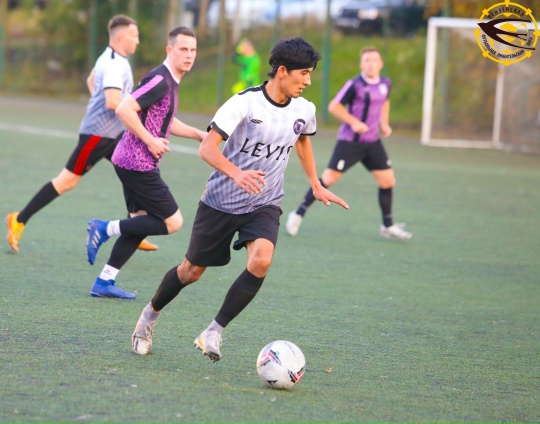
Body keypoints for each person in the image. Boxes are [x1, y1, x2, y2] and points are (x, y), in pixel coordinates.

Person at [130, 37, 349, 360]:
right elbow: (207, 148)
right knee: (191, 271)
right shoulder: (244, 103)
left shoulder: (305, 109)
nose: (308, 81)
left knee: (261, 260)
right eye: (303, 73)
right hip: (221, 201)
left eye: (310, 74)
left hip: (265, 201)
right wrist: (237, 174)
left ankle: (213, 331)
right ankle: (148, 317)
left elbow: (302, 139)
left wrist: (315, 184)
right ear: (282, 71)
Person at [5, 15, 159, 253]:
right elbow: (112, 101)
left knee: (133, 169)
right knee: (67, 181)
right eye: (134, 36)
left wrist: (102, 102)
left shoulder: (112, 58)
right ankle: (19, 219)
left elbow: (91, 80)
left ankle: (135, 227)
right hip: (97, 135)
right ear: (121, 37)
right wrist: (131, 112)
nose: (137, 41)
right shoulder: (114, 63)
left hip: (113, 134)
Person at [85, 26, 206, 299]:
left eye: (193, 50)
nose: (189, 55)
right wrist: (150, 140)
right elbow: (124, 108)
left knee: (140, 223)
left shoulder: (171, 81)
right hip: (136, 163)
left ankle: (104, 281)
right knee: (173, 222)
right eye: (183, 49)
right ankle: (104, 227)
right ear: (170, 50)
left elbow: (164, 118)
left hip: (132, 161)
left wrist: (197, 134)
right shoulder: (160, 79)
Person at [286, 46, 412, 240]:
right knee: (328, 179)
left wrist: (384, 124)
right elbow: (334, 106)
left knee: (387, 181)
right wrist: (354, 122)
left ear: (381, 64)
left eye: (374, 60)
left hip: (372, 142)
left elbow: (384, 101)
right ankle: (298, 214)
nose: (370, 64)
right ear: (361, 64)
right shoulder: (354, 84)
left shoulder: (385, 83)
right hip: (350, 142)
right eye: (367, 60)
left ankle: (387, 226)